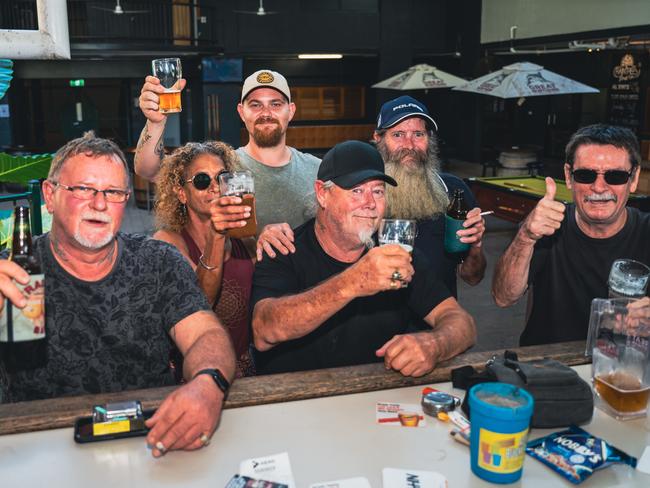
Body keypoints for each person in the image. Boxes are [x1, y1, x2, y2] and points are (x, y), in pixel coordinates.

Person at [0, 133, 236, 458]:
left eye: (112, 192)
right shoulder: (11, 273)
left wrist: (208, 385)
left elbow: (206, 333)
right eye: (83, 189)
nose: (99, 204)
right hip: (37, 449)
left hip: (152, 442)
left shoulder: (157, 261)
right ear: (50, 196)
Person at [251, 140, 476, 375]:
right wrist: (354, 282)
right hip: (293, 399)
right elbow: (264, 331)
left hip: (372, 396)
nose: (370, 204)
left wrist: (436, 345)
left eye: (378, 191)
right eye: (356, 190)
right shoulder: (283, 246)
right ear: (322, 194)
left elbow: (462, 323)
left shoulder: (395, 254)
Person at [135, 69, 320, 260]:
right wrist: (154, 123)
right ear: (241, 112)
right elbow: (148, 170)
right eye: (255, 105)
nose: (266, 113)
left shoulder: (318, 170)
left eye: (276, 104)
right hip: (243, 286)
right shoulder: (221, 168)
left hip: (309, 286)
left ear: (290, 111)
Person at [492, 124, 650, 346]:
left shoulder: (646, 231)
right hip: (549, 366)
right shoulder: (546, 226)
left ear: (633, 179)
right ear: (568, 176)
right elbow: (503, 297)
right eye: (586, 175)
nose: (598, 187)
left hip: (623, 369)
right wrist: (525, 236)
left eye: (615, 176)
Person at [154, 141, 256, 377]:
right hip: (196, 377)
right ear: (182, 193)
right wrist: (216, 236)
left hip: (246, 374)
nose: (214, 187)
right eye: (201, 181)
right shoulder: (168, 242)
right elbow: (200, 301)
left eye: (221, 177)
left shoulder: (246, 241)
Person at [373, 96, 486, 297]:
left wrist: (476, 247)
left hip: (440, 323)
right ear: (379, 139)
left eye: (418, 134)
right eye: (398, 134)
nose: (409, 145)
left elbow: (472, 277)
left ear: (429, 139)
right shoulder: (362, 197)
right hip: (378, 324)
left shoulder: (453, 191)